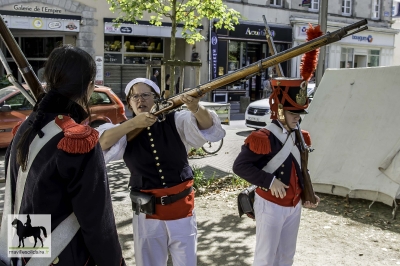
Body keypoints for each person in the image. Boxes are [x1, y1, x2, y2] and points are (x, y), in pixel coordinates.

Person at [0, 45, 125, 266]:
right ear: (89, 87)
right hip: (67, 256)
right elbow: (97, 222)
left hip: (23, 254)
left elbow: (32, 202)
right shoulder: (77, 138)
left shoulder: (25, 128)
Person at [97, 78, 225, 266]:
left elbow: (208, 127)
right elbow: (101, 143)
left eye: (145, 95)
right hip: (147, 213)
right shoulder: (124, 131)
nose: (140, 99)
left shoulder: (176, 120)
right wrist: (133, 124)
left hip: (181, 207)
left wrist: (196, 107)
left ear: (156, 99)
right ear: (130, 103)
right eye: (135, 96)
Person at [233, 77, 320, 266]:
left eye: (300, 113)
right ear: (280, 112)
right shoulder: (263, 137)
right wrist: (270, 181)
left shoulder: (300, 136)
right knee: (266, 258)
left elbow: (300, 169)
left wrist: (307, 192)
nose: (298, 117)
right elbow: (240, 166)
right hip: (270, 205)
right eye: (293, 113)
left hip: (294, 204)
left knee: (286, 256)